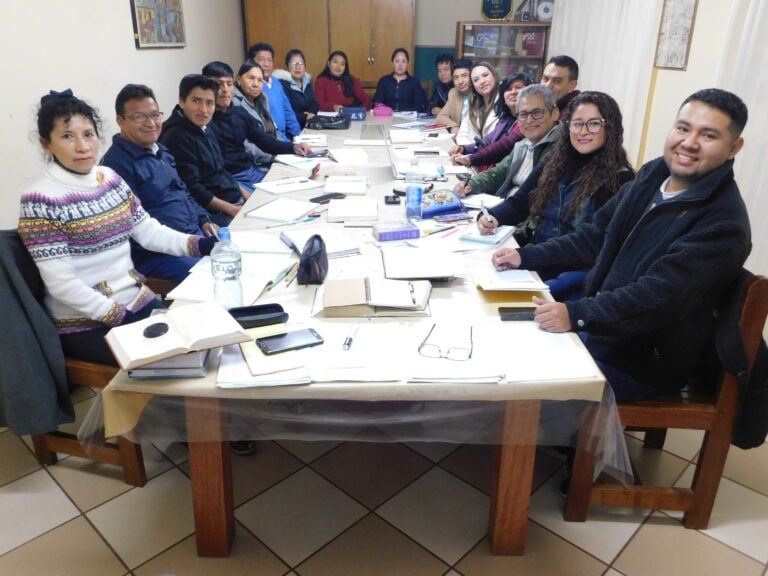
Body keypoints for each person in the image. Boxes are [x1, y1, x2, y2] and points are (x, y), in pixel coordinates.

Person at [492, 88, 751, 402]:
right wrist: (524, 256)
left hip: (640, 361)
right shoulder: (654, 176)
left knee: (517, 383)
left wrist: (575, 315)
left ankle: (529, 440)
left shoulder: (723, 224)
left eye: (708, 135)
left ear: (734, 147)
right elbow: (594, 235)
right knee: (503, 334)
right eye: (683, 128)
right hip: (604, 329)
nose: (689, 143)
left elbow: (657, 297)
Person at [18, 90, 217, 366]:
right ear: (46, 145)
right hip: (87, 324)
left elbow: (147, 230)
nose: (82, 146)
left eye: (88, 134)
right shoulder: (40, 200)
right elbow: (62, 284)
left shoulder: (108, 178)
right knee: (176, 365)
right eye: (67, 136)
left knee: (207, 345)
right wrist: (119, 316)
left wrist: (198, 244)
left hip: (137, 302)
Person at [480, 91, 635, 300]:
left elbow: (589, 243)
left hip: (571, 280)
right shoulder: (555, 161)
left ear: (611, 127)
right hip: (535, 265)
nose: (583, 131)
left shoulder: (619, 180)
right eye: (577, 123)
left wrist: (526, 256)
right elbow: (520, 202)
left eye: (594, 124)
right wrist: (491, 217)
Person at [102, 83, 216, 282]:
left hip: (192, 235)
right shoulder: (116, 167)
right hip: (158, 253)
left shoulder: (160, 150)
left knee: (240, 256)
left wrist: (203, 218)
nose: (151, 123)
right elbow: (137, 231)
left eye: (155, 115)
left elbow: (184, 191)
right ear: (121, 121)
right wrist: (191, 243)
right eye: (139, 117)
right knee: (214, 278)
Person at [202, 61, 311, 190]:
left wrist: (294, 148)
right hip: (231, 181)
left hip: (250, 172)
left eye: (229, 84)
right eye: (218, 84)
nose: (225, 90)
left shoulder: (239, 112)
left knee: (298, 184)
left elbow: (265, 140)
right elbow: (213, 171)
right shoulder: (203, 121)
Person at [160, 74, 247, 226]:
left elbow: (221, 171)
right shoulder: (177, 136)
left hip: (232, 200)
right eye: (196, 101)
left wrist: (246, 195)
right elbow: (194, 189)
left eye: (210, 103)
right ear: (181, 101)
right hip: (215, 212)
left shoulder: (204, 126)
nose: (204, 110)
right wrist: (232, 210)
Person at [454, 84, 561, 199]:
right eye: (523, 114)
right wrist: (470, 184)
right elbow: (498, 173)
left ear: (554, 113)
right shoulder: (524, 144)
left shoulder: (560, 149)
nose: (529, 120)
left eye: (537, 113)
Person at [451, 72, 530, 170]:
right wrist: (463, 148)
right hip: (487, 170)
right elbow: (486, 141)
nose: (513, 92)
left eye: (519, 88)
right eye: (509, 89)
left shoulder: (528, 121)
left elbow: (503, 146)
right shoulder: (505, 119)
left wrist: (471, 159)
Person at [246, 42, 302, 141]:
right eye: (261, 60)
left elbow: (288, 112)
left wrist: (298, 137)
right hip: (268, 141)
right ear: (251, 62)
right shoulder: (252, 87)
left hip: (284, 138)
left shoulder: (276, 82)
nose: (266, 64)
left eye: (269, 60)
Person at [455, 61, 500, 147]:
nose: (482, 81)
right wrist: (467, 151)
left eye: (485, 75)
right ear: (473, 86)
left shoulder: (504, 101)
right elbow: (462, 133)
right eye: (476, 80)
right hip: (473, 156)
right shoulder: (473, 103)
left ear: (494, 76)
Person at [272, 48, 319, 128]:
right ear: (287, 67)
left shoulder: (306, 81)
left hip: (310, 124)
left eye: (301, 63)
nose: (298, 67)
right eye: (294, 64)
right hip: (293, 128)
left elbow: (314, 103)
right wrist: (304, 116)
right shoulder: (282, 84)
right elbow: (285, 112)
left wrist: (311, 114)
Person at [373, 47, 427, 112]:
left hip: (408, 119)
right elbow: (378, 103)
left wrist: (403, 114)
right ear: (392, 63)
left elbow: (418, 106)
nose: (400, 65)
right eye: (397, 61)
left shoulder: (414, 82)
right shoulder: (384, 81)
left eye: (404, 61)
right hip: (387, 118)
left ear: (407, 64)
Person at [436, 58, 473, 134]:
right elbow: (440, 117)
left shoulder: (479, 94)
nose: (460, 81)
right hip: (459, 138)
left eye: (464, 76)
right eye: (456, 77)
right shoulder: (453, 93)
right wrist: (454, 127)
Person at [541, 55, 580, 121]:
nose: (548, 86)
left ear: (572, 85)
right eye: (545, 79)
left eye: (557, 81)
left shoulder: (574, 115)